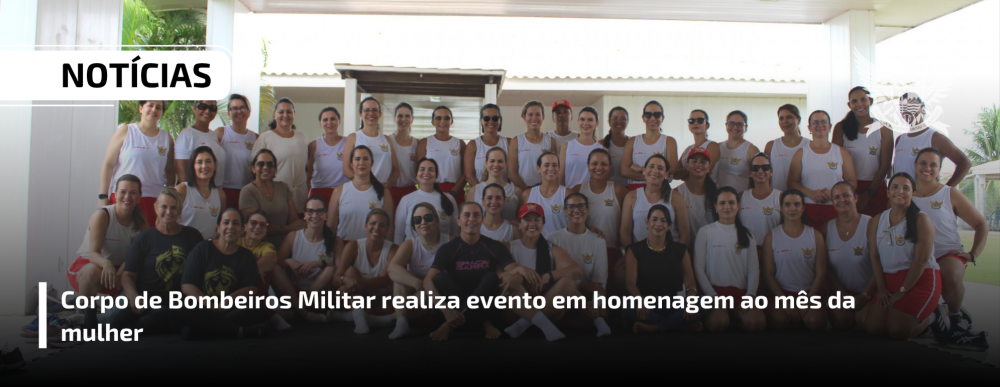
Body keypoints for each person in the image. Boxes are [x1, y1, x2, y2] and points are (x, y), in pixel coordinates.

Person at [911, 148, 989, 349]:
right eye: (923, 163)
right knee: (908, 327)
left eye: (933, 165)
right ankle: (939, 312)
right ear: (915, 165)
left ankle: (955, 320)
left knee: (949, 274)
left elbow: (981, 224)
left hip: (947, 254)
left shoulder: (949, 193)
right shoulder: (904, 194)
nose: (927, 168)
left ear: (939, 169)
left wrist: (973, 254)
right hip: (915, 257)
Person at [866, 173, 945, 341]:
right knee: (873, 328)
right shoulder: (877, 221)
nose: (899, 191)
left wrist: (903, 291)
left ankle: (934, 317)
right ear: (888, 192)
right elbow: (874, 256)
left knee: (897, 331)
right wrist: (881, 289)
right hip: (890, 282)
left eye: (906, 188)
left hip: (919, 281)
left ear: (913, 194)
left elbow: (921, 261)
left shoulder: (921, 220)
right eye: (894, 187)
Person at [113, 188, 204, 332]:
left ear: (180, 210)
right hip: (141, 295)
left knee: (159, 315)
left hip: (173, 302)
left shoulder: (193, 236)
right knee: (108, 321)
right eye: (164, 207)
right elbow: (128, 276)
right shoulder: (143, 239)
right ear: (156, 208)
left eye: (173, 208)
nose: (168, 212)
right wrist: (133, 297)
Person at [424, 202, 518, 341]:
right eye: (466, 215)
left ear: (482, 220)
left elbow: (513, 271)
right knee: (440, 278)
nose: (472, 219)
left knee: (491, 277)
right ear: (458, 221)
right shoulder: (447, 249)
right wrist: (446, 311)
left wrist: (514, 277)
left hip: (486, 309)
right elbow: (427, 281)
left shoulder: (495, 246)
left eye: (476, 215)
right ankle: (483, 325)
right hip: (453, 311)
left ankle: (451, 326)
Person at [67, 175, 149, 328]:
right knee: (92, 271)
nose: (127, 196)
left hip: (121, 269)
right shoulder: (102, 215)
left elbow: (139, 255)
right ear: (115, 194)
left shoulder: (141, 221)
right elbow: (93, 254)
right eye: (123, 192)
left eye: (132, 192)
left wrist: (123, 272)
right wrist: (107, 264)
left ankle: (110, 314)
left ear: (139, 196)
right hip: (93, 266)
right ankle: (85, 314)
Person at [178, 208, 267, 340]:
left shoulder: (246, 256)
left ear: (243, 229)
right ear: (218, 228)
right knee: (183, 309)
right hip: (203, 306)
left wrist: (227, 301)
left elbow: (251, 288)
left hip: (231, 308)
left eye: (236, 223)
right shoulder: (202, 249)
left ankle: (202, 330)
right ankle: (239, 332)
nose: (230, 227)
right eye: (226, 223)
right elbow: (187, 285)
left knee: (258, 308)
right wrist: (208, 304)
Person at [502, 202, 585, 341]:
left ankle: (524, 325)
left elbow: (577, 270)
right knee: (510, 281)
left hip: (548, 308)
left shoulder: (551, 248)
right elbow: (498, 276)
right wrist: (519, 274)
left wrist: (548, 276)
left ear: (543, 223)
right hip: (516, 310)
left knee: (568, 283)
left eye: (537, 220)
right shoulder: (509, 247)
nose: (532, 224)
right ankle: (531, 322)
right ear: (519, 224)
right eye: (527, 220)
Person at [694, 187, 766, 332]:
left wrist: (751, 295)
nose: (727, 207)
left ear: (738, 206)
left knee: (757, 323)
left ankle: (735, 318)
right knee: (718, 323)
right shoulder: (705, 232)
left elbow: (753, 269)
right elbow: (698, 268)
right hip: (713, 294)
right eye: (722, 203)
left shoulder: (748, 235)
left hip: (740, 295)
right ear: (715, 206)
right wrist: (713, 296)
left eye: (731, 203)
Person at [624, 204, 700, 333]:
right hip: (646, 304)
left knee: (707, 302)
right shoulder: (634, 250)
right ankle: (678, 325)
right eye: (654, 219)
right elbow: (630, 282)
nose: (659, 224)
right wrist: (640, 301)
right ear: (647, 223)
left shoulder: (680, 250)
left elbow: (690, 283)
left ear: (668, 225)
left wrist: (691, 302)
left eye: (663, 220)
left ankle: (657, 328)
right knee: (627, 309)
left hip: (672, 303)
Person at [761, 189, 829, 331]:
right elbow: (768, 275)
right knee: (779, 320)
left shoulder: (815, 235)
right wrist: (785, 302)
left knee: (815, 321)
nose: (792, 208)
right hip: (782, 294)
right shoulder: (771, 237)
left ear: (803, 208)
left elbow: (821, 273)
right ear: (782, 207)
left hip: (809, 293)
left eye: (797, 204)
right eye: (788, 205)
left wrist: (808, 301)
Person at [547, 194, 613, 337]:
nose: (576, 210)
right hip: (563, 293)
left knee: (603, 312)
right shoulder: (552, 238)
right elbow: (552, 276)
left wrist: (595, 304)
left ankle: (589, 317)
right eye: (571, 207)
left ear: (587, 210)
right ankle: (592, 321)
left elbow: (600, 280)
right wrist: (581, 285)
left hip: (588, 296)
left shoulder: (598, 240)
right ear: (564, 211)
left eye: (581, 206)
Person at [99, 100, 174, 226]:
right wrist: (102, 197)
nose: (154, 110)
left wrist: (170, 198)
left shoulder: (167, 138)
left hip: (153, 200)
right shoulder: (125, 132)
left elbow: (171, 171)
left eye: (158, 107)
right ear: (140, 108)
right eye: (150, 105)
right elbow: (108, 164)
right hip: (123, 198)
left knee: (147, 243)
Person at [386, 203, 450, 339]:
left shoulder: (450, 242)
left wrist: (427, 289)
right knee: (400, 279)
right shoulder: (409, 244)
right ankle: (401, 323)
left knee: (423, 294)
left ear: (436, 220)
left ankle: (385, 320)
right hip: (417, 296)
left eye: (428, 217)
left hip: (440, 296)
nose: (423, 222)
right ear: (414, 226)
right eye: (417, 220)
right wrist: (420, 284)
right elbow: (392, 269)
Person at [333, 209, 399, 334]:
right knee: (351, 272)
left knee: (399, 303)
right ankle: (362, 322)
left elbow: (383, 280)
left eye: (382, 225)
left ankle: (350, 316)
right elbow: (336, 278)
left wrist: (352, 283)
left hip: (382, 300)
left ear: (387, 230)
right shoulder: (353, 246)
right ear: (365, 226)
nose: (376, 228)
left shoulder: (394, 249)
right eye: (372, 223)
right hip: (357, 296)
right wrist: (345, 279)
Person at [788, 110, 857, 229]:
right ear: (809, 128)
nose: (820, 125)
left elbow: (852, 182)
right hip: (809, 209)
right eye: (815, 122)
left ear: (830, 126)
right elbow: (791, 183)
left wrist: (834, 193)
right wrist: (811, 193)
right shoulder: (801, 153)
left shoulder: (841, 152)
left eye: (824, 122)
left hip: (836, 207)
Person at [821, 182, 875, 330]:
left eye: (846, 195)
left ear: (856, 198)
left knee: (867, 323)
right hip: (843, 293)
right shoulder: (826, 229)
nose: (842, 200)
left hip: (870, 291)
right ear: (832, 202)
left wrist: (865, 296)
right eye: (837, 197)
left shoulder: (870, 224)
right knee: (841, 322)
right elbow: (827, 269)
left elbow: (881, 266)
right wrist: (841, 295)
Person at [833, 87, 893, 216]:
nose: (859, 104)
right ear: (849, 105)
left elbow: (885, 165)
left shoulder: (884, 128)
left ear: (870, 101)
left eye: (863, 100)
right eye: (855, 101)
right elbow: (836, 162)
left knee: (875, 230)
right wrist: (850, 191)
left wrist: (868, 194)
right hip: (848, 187)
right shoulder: (840, 128)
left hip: (875, 187)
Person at [573, 148, 627, 291]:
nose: (598, 168)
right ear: (588, 165)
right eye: (594, 163)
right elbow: (570, 221)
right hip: (583, 252)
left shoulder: (619, 190)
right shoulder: (577, 189)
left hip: (612, 252)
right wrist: (586, 229)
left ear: (610, 167)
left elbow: (628, 224)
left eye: (603, 164)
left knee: (609, 299)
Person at [892, 93, 971, 187]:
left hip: (924, 197)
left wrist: (946, 190)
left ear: (922, 108)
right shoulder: (900, 139)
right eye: (904, 107)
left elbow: (965, 163)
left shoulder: (935, 138)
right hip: (901, 197)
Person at [239, 209, 294, 332]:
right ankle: (272, 315)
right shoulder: (236, 242)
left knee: (267, 267)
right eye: (253, 223)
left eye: (263, 225)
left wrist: (254, 268)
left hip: (254, 293)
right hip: (233, 288)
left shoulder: (266, 246)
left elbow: (271, 259)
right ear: (244, 227)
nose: (258, 227)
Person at [251, 98, 310, 212]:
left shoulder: (302, 137)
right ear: (274, 115)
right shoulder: (266, 138)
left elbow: (306, 168)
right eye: (281, 112)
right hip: (276, 197)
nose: (285, 115)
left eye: (289, 112)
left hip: (300, 196)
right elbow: (254, 170)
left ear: (294, 114)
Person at [327, 145, 394, 241]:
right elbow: (330, 228)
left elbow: (390, 227)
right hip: (344, 248)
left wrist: (386, 251)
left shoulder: (384, 192)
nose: (361, 163)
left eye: (366, 159)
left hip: (373, 249)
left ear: (371, 163)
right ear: (351, 164)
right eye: (357, 159)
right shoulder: (339, 191)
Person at [621, 155, 691, 246]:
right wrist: (631, 255)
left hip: (670, 256)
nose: (655, 171)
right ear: (644, 170)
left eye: (660, 168)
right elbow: (625, 232)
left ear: (666, 174)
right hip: (639, 256)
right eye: (651, 166)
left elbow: (685, 233)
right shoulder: (631, 197)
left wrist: (677, 256)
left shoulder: (676, 198)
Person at [239, 149, 304, 245]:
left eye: (270, 164)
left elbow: (293, 220)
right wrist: (285, 229)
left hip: (285, 243)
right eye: (261, 164)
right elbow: (254, 227)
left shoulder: (283, 187)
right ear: (253, 168)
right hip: (259, 246)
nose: (265, 167)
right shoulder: (247, 191)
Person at [393, 158, 458, 242]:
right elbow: (399, 233)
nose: (426, 172)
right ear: (416, 175)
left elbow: (455, 231)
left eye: (431, 170)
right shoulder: (406, 200)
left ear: (436, 175)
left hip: (443, 252)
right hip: (413, 253)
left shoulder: (449, 199)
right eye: (422, 169)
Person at [342, 96, 400, 188]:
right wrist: (365, 185)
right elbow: (346, 169)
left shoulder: (386, 139)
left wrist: (385, 187)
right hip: (361, 189)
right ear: (360, 114)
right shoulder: (353, 138)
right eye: (367, 110)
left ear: (380, 114)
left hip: (383, 190)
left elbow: (396, 170)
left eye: (374, 110)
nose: (371, 113)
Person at [622, 101, 679, 191]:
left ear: (662, 118)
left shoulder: (669, 141)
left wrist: (642, 170)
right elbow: (624, 171)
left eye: (657, 114)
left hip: (661, 189)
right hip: (636, 189)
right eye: (648, 115)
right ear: (643, 118)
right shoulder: (632, 141)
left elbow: (672, 169)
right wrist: (655, 176)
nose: (652, 118)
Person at [416, 106, 467, 203]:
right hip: (431, 190)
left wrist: (452, 193)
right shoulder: (424, 142)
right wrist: (429, 192)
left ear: (451, 121)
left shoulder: (459, 143)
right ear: (433, 122)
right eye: (438, 118)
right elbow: (420, 172)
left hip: (455, 191)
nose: (442, 121)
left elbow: (465, 174)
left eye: (446, 118)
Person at [217, 94, 259, 207]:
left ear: (249, 112)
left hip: (248, 191)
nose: (239, 111)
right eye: (234, 108)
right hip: (224, 191)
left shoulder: (256, 138)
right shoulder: (220, 133)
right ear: (229, 114)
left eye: (242, 108)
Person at [176, 146, 225, 239]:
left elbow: (220, 225)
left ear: (214, 165)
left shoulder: (220, 194)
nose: (204, 166)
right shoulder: (182, 190)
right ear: (193, 166)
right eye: (199, 162)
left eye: (208, 161)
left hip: (207, 249)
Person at [175, 100, 225, 188]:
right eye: (202, 106)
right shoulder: (187, 135)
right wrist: (189, 194)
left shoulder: (213, 134)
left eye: (212, 108)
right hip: (196, 192)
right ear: (194, 107)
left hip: (214, 190)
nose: (207, 111)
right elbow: (181, 171)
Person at [508, 101, 557, 190]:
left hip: (543, 191)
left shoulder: (550, 141)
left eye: (538, 114)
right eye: (530, 114)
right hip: (520, 191)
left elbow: (554, 170)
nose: (534, 118)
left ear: (543, 117)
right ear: (524, 116)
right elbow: (512, 173)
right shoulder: (516, 141)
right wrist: (527, 191)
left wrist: (539, 191)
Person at [739, 153, 782, 255]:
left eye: (765, 167)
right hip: (745, 252)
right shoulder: (740, 197)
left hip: (773, 252)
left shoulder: (780, 197)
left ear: (771, 171)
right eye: (755, 168)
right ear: (750, 172)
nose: (760, 171)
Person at [519, 152, 569, 238]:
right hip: (536, 248)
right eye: (546, 165)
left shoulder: (567, 194)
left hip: (562, 246)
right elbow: (519, 223)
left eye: (554, 165)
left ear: (559, 168)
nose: (551, 168)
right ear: (538, 168)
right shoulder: (527, 194)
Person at [306, 107, 349, 205]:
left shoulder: (348, 142)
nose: (329, 122)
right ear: (320, 123)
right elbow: (308, 174)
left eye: (333, 119)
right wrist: (306, 197)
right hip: (319, 192)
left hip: (343, 192)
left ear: (339, 121)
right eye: (325, 120)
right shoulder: (313, 145)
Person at [676, 148, 719, 240]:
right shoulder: (677, 193)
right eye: (694, 161)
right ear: (687, 166)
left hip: (713, 248)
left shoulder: (719, 191)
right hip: (686, 249)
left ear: (709, 167)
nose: (698, 164)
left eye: (703, 162)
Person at [713, 110, 759, 193]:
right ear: (726, 125)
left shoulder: (751, 150)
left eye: (739, 124)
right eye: (731, 123)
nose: (735, 127)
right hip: (719, 198)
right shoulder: (717, 147)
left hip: (741, 198)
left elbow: (758, 178)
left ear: (746, 127)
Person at [765, 104, 809, 191]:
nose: (785, 121)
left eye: (789, 117)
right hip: (777, 199)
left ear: (798, 120)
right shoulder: (771, 146)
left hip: (802, 199)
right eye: (781, 118)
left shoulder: (809, 145)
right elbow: (766, 176)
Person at [465, 103, 510, 187]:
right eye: (486, 118)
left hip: (505, 195)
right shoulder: (473, 145)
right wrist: (484, 192)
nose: (491, 121)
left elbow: (512, 174)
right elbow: (469, 176)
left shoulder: (509, 143)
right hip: (480, 195)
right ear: (481, 120)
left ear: (500, 120)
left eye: (495, 118)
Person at [560, 106, 605, 188]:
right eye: (582, 119)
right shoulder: (567, 147)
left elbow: (604, 178)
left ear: (596, 123)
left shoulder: (602, 149)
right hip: (570, 197)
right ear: (578, 121)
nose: (586, 123)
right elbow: (560, 178)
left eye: (590, 120)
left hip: (594, 198)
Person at [472, 146, 521, 221]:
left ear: (506, 164)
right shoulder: (474, 191)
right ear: (486, 163)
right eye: (492, 161)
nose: (496, 164)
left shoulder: (516, 192)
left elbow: (521, 219)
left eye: (500, 161)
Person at [389, 102, 419, 209]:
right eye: (400, 116)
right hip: (390, 190)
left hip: (410, 191)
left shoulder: (417, 144)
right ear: (394, 118)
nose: (403, 119)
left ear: (412, 119)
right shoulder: (387, 141)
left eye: (407, 116)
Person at [676, 109, 719, 180]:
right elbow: (675, 174)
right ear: (689, 126)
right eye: (691, 121)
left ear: (707, 125)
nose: (696, 123)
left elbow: (705, 171)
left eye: (700, 120)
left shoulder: (712, 146)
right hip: (687, 190)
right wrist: (692, 169)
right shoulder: (688, 149)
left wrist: (686, 171)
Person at [603, 106, 630, 187]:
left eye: (623, 118)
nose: (619, 121)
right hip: (609, 190)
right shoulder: (602, 144)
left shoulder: (633, 142)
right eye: (615, 118)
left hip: (630, 190)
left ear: (627, 121)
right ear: (609, 121)